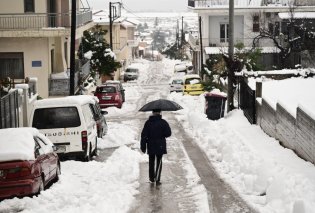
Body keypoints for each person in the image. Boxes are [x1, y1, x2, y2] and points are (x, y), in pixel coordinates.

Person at [140, 109, 172, 185]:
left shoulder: (148, 123)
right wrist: (162, 134)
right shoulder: (163, 122)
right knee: (159, 162)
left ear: (152, 113)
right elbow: (168, 133)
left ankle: (151, 178)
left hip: (150, 144)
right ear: (160, 113)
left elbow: (144, 135)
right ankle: (157, 179)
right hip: (160, 145)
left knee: (151, 161)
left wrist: (143, 146)